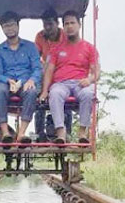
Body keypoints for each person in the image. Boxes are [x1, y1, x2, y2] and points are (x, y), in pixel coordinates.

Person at [40, 10, 100, 144]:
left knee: (88, 93)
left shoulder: (89, 48)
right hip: (61, 83)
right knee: (54, 93)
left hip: (80, 82)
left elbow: (96, 72)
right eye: (66, 24)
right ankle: (60, 132)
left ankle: (83, 132)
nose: (69, 26)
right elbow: (49, 70)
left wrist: (89, 80)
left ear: (79, 25)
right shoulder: (56, 48)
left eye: (72, 23)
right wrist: (44, 91)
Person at [0, 11, 42, 144]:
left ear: (18, 26)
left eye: (12, 25)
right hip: (7, 82)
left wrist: (32, 80)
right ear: (2, 28)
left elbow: (37, 68)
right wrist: (8, 81)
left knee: (31, 91)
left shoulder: (31, 47)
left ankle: (21, 133)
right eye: (6, 26)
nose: (10, 28)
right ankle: (5, 133)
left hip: (25, 81)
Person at [33, 8, 72, 142]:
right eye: (45, 25)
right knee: (38, 96)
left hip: (63, 72)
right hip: (45, 72)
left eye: (50, 24)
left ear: (57, 23)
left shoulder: (67, 37)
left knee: (66, 99)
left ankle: (67, 132)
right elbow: (35, 58)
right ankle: (39, 133)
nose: (47, 28)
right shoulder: (40, 36)